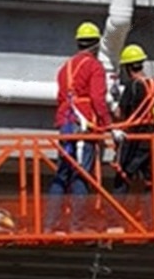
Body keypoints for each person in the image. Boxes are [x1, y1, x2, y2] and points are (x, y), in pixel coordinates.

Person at [48, 21, 112, 226]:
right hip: (83, 124)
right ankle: (77, 224)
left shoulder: (65, 68)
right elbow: (98, 99)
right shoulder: (94, 66)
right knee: (81, 174)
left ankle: (50, 223)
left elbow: (60, 98)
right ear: (96, 44)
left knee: (63, 171)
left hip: (66, 123)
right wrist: (107, 125)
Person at [111, 44, 154, 196]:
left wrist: (113, 103)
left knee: (123, 177)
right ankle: (151, 217)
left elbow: (120, 113)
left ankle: (116, 216)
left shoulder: (132, 86)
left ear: (127, 67)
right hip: (153, 139)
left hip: (136, 138)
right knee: (150, 182)